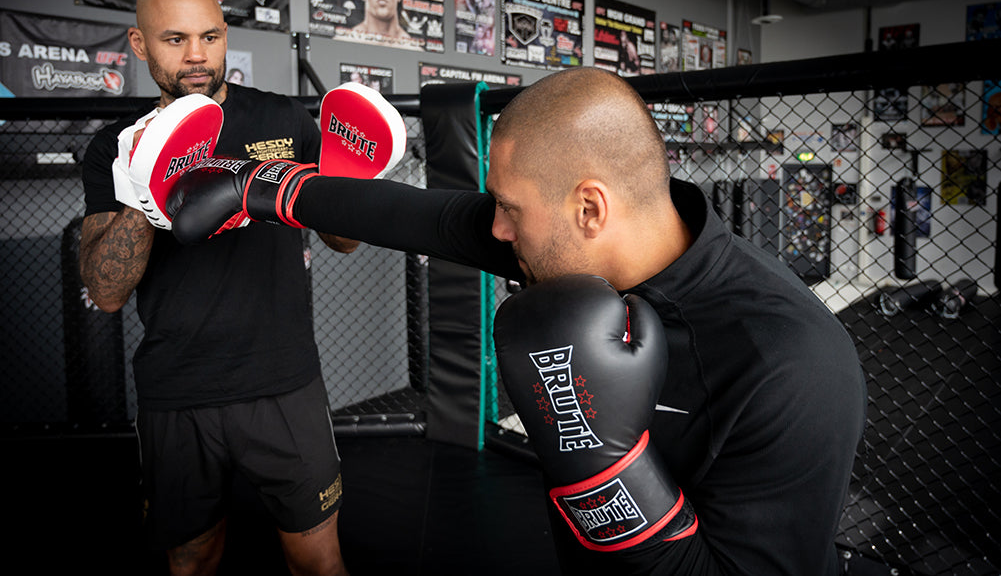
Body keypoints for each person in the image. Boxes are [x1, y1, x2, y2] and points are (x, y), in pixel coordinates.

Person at [169, 66, 867, 575]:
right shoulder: (565, 236)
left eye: (507, 208)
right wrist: (258, 187)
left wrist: (601, 466)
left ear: (589, 208)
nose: (492, 229)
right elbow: (414, 216)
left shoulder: (790, 365)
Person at [79, 0, 354, 576]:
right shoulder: (114, 148)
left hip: (284, 379)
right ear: (138, 43)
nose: (197, 55)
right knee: (193, 558)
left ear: (226, 36)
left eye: (210, 36)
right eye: (175, 39)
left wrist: (357, 178)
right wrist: (147, 180)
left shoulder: (285, 120)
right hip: (178, 390)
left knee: (317, 559)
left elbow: (343, 240)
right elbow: (104, 291)